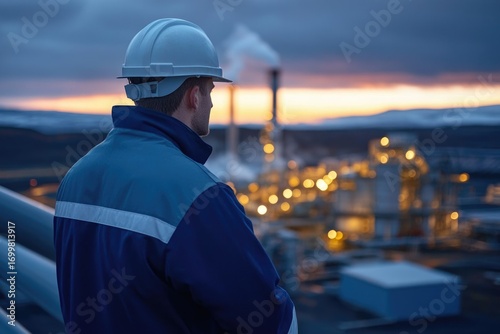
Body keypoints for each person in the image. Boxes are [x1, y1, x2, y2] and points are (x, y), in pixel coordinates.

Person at [53, 18, 297, 333]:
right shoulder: (200, 196)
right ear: (194, 96)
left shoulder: (75, 177)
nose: (211, 103)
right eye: (210, 91)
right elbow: (270, 321)